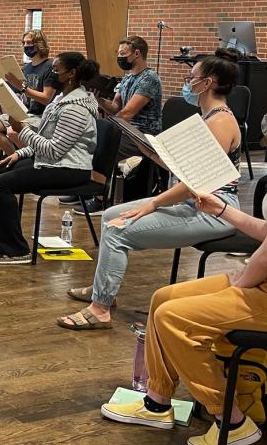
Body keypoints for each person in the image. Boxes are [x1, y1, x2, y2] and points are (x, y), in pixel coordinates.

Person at [58, 50, 242, 330]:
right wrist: (152, 153)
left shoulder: (220, 122)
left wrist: (153, 203)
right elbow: (185, 171)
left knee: (119, 230)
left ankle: (100, 308)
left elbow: (196, 183)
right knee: (110, 217)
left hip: (215, 210)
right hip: (197, 202)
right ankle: (101, 289)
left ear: (209, 82)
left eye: (191, 77)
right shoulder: (208, 117)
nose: (187, 82)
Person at [99, 185, 267, 445]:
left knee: (174, 318)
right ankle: (157, 403)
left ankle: (232, 421)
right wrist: (223, 210)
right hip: (263, 279)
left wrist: (243, 281)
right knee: (163, 298)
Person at [0, 51, 100, 264]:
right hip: (54, 162)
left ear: (71, 74)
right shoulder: (61, 98)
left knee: (2, 184)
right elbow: (46, 140)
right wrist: (19, 153)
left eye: (56, 70)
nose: (51, 74)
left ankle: (15, 250)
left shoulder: (76, 108)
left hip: (70, 170)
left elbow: (54, 150)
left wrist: (22, 131)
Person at [65, 35, 163, 213]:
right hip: (125, 130)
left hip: (142, 135)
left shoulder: (149, 78)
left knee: (101, 146)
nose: (120, 58)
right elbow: (116, 106)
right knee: (83, 141)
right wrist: (99, 99)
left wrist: (104, 129)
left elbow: (128, 112)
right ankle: (83, 189)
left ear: (137, 54)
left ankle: (100, 198)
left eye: (123, 54)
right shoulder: (126, 79)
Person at [0, 29, 58, 155]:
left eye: (29, 43)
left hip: (41, 116)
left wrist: (23, 87)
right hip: (24, 113)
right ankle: (13, 159)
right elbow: (19, 92)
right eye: (23, 43)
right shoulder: (27, 68)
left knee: (13, 131)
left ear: (39, 44)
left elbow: (46, 98)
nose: (25, 46)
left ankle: (31, 160)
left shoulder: (49, 67)